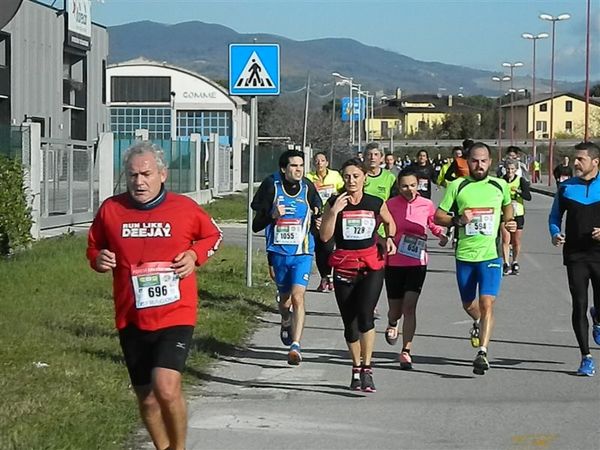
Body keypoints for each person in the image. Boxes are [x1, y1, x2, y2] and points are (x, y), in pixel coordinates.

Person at [86, 141, 223, 450]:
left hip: (176, 312)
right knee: (147, 400)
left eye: (146, 174)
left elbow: (214, 234)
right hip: (131, 315)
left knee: (166, 387)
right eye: (133, 175)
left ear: (163, 174)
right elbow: (94, 246)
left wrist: (194, 255)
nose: (139, 182)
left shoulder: (184, 208)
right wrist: (98, 259)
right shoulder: (111, 209)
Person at [434, 142, 516, 375]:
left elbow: (508, 208)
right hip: (464, 255)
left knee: (486, 303)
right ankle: (480, 324)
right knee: (468, 305)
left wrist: (508, 221)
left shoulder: (500, 185)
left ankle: (482, 352)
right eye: (474, 161)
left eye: (483, 161)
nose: (479, 165)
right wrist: (458, 220)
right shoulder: (457, 186)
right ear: (467, 162)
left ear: (490, 162)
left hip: (490, 255)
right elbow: (438, 216)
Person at [320, 158, 397, 392]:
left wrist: (390, 238)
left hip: (370, 265)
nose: (351, 180)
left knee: (366, 316)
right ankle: (355, 368)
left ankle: (367, 368)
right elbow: (324, 237)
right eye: (347, 176)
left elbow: (390, 223)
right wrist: (334, 212)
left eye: (356, 176)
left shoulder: (374, 202)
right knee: (350, 324)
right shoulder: (335, 202)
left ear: (364, 177)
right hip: (344, 265)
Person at [251, 149, 322, 365]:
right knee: (285, 301)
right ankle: (285, 319)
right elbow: (256, 226)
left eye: (301, 165)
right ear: (284, 168)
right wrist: (272, 215)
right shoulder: (271, 185)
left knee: (298, 297)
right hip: (279, 253)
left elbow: (317, 208)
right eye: (293, 166)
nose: (298, 169)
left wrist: (318, 216)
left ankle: (295, 345)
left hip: (303, 253)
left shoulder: (307, 186)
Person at [384, 169, 448, 369]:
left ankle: (406, 350)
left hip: (417, 262)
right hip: (394, 262)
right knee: (395, 310)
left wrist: (441, 235)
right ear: (398, 187)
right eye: (404, 186)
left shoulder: (426, 204)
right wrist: (383, 240)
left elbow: (432, 223)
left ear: (418, 185)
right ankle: (393, 323)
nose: (409, 189)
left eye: (413, 185)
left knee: (409, 307)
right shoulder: (390, 205)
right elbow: (378, 225)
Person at [549, 141, 600, 377]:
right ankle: (585, 357)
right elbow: (554, 216)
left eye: (581, 159)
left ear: (595, 162)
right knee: (578, 304)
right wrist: (555, 233)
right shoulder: (566, 187)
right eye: (575, 158)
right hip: (575, 255)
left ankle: (597, 319)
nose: (576, 163)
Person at [306, 151, 344, 292]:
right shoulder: (309, 178)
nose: (319, 163)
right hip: (317, 216)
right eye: (316, 161)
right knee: (320, 249)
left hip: (333, 214)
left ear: (327, 163)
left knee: (330, 247)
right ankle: (324, 278)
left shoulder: (335, 176)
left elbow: (342, 191)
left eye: (322, 160)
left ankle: (331, 277)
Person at [500, 159, 532, 276]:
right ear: (505, 169)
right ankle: (506, 264)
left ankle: (515, 261)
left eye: (512, 169)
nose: (510, 171)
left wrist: (518, 191)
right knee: (505, 239)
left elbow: (528, 196)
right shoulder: (501, 181)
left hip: (518, 212)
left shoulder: (521, 180)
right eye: (508, 169)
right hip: (504, 213)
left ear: (516, 170)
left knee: (516, 240)